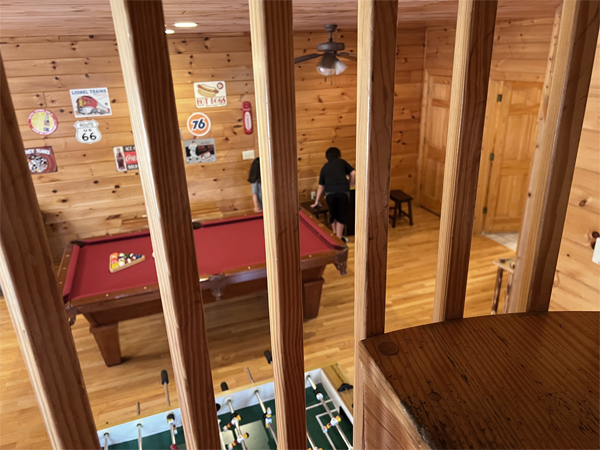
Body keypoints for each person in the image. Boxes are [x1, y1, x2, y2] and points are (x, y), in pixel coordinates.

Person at [311, 147, 355, 242]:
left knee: (333, 213)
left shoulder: (324, 167)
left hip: (330, 193)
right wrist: (350, 184)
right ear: (339, 156)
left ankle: (334, 235)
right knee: (341, 215)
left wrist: (316, 202)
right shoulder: (342, 162)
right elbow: (353, 172)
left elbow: (320, 187)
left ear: (326, 158)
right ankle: (339, 239)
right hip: (343, 191)